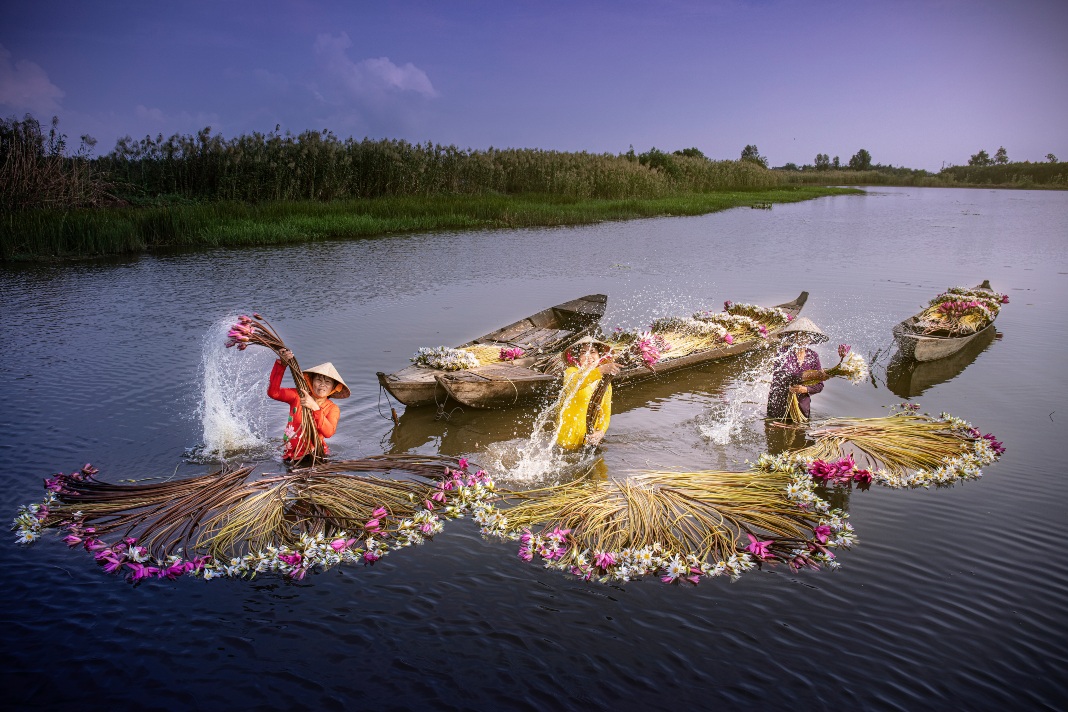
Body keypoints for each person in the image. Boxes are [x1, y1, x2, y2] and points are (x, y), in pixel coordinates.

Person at [268, 348, 350, 465]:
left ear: (333, 388)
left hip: (314, 456)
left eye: (327, 382)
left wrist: (315, 407)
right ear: (311, 382)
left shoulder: (332, 408)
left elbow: (329, 432)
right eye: (318, 380)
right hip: (290, 454)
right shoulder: (298, 396)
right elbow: (273, 392)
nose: (322, 384)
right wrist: (282, 365)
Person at [556, 337, 619, 450]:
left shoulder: (605, 383)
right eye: (583, 352)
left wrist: (600, 433)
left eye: (592, 352)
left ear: (600, 356)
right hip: (566, 442)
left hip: (588, 442)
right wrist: (600, 371)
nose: (588, 356)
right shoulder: (571, 373)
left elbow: (605, 413)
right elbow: (576, 384)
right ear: (578, 358)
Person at [766, 317, 828, 423]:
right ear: (794, 336)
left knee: (800, 430)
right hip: (780, 406)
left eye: (807, 336)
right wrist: (792, 383)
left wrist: (805, 389)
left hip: (801, 408)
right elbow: (777, 379)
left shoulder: (813, 356)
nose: (803, 338)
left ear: (811, 338)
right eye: (800, 335)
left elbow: (819, 386)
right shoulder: (783, 353)